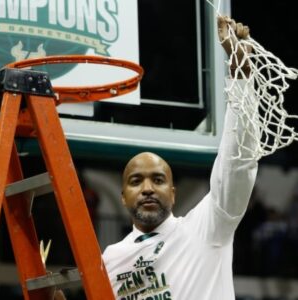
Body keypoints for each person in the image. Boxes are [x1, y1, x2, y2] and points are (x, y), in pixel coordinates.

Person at [102, 16, 257, 300]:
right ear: (123, 196)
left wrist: (241, 77)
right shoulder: (110, 259)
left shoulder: (208, 227)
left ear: (173, 194)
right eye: (136, 181)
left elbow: (237, 163)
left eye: (158, 180)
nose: (147, 188)